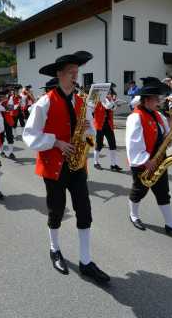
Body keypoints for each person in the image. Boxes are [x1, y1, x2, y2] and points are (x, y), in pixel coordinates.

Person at [23, 51, 110, 283]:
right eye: (71, 72)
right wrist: (56, 142)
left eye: (76, 72)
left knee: (84, 210)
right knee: (57, 210)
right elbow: (29, 135)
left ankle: (85, 261)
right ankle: (54, 249)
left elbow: (91, 129)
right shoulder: (44, 103)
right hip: (54, 166)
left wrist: (88, 138)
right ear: (59, 74)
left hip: (77, 165)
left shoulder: (82, 101)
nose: (75, 75)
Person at [125, 78, 172, 235]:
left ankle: (171, 224)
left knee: (163, 192)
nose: (159, 100)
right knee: (139, 191)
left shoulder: (158, 115)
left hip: (159, 160)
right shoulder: (135, 117)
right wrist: (146, 161)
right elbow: (133, 144)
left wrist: (171, 137)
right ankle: (133, 215)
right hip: (144, 163)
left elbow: (167, 135)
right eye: (156, 98)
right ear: (147, 100)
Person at [92, 84, 122, 171]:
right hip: (99, 125)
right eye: (108, 91)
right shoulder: (97, 99)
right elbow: (107, 106)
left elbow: (113, 108)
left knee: (113, 144)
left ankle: (113, 164)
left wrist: (116, 103)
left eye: (109, 91)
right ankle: (95, 162)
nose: (109, 93)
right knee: (99, 144)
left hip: (108, 125)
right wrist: (112, 103)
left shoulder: (110, 99)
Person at [0, 89, 16, 159]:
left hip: (7, 120)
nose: (1, 98)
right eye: (0, 96)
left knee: (9, 135)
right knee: (1, 136)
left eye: (3, 96)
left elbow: (11, 108)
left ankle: (11, 152)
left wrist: (3, 105)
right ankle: (1, 152)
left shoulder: (9, 100)